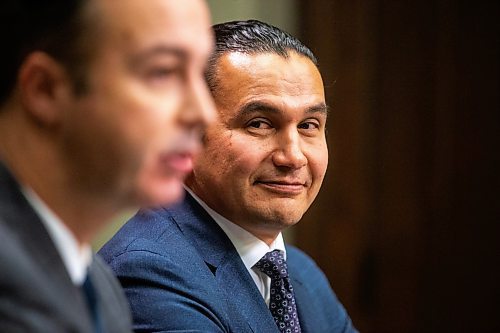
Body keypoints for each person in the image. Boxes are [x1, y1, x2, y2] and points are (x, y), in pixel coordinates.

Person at [100, 20, 357, 332]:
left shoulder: (303, 276)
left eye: (308, 126)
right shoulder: (148, 271)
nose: (293, 156)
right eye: (260, 123)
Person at [0, 0, 215, 332]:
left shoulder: (99, 285)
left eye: (200, 74)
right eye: (163, 72)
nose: (203, 113)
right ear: (45, 89)